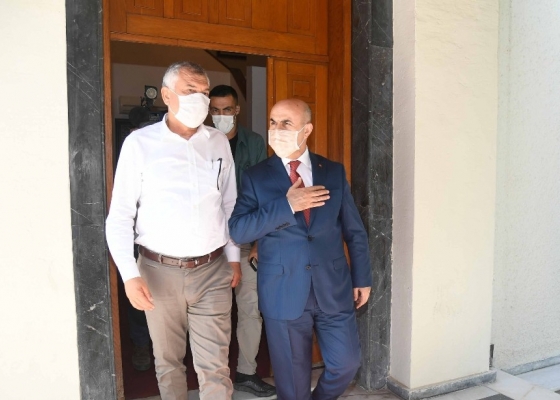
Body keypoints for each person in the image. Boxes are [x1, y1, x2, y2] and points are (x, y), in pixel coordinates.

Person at [106, 61, 241, 399]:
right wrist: (129, 275)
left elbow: (229, 204)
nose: (200, 99)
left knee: (216, 366)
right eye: (190, 91)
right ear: (167, 96)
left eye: (204, 92)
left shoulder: (218, 142)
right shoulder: (140, 143)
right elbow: (120, 215)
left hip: (212, 269)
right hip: (158, 271)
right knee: (168, 363)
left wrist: (234, 258)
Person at [228, 99, 372, 400]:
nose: (276, 129)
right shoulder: (256, 176)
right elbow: (239, 230)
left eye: (286, 123)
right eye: (273, 122)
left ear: (306, 130)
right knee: (292, 384)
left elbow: (354, 230)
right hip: (283, 291)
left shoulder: (331, 171)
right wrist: (287, 206)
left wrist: (362, 278)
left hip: (333, 287)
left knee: (346, 364)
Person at [208, 85, 275, 397]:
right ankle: (213, 376)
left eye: (226, 109)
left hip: (245, 238)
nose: (221, 115)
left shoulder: (254, 143)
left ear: (236, 110)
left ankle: (246, 372)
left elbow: (264, 193)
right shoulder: (201, 142)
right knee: (214, 312)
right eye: (215, 110)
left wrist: (260, 242)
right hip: (210, 243)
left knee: (250, 308)